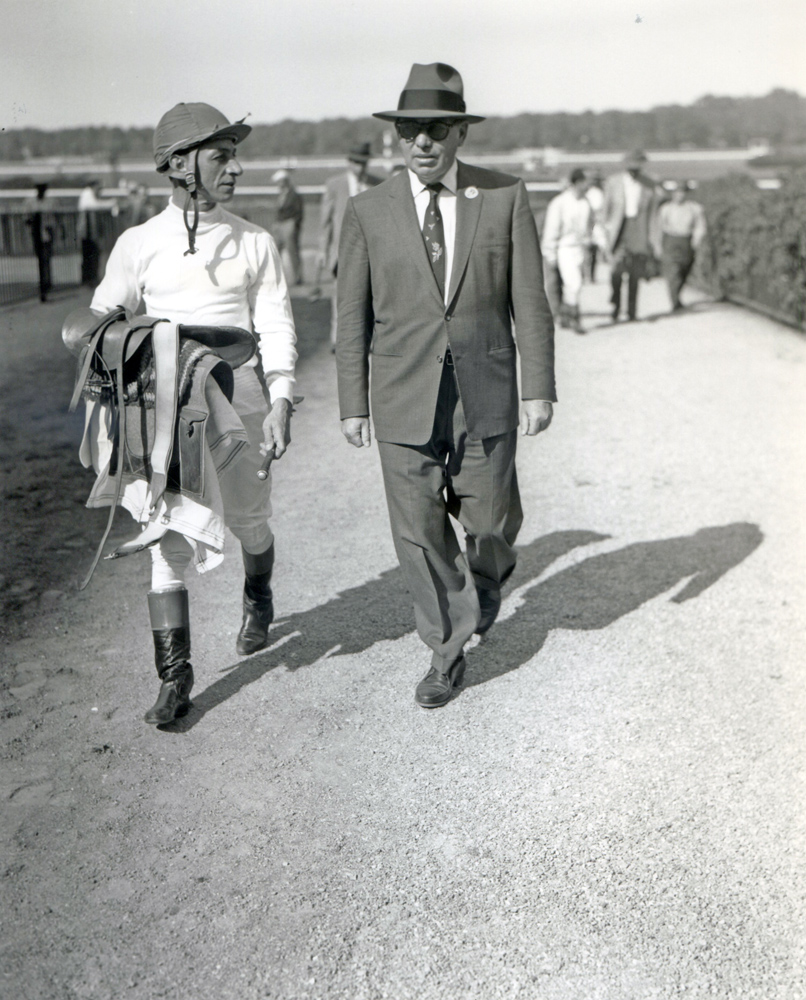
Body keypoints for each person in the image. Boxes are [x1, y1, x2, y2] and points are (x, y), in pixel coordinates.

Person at [62, 102, 297, 727]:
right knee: (164, 541)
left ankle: (259, 593)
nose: (236, 168)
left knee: (252, 522)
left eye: (233, 155)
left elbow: (275, 325)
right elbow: (96, 322)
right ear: (179, 166)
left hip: (239, 403)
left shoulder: (255, 241)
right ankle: (175, 678)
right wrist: (126, 339)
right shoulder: (138, 244)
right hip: (161, 414)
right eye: (222, 156)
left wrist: (280, 400)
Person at [336, 62, 555, 709]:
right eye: (409, 130)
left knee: (490, 522)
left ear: (460, 132)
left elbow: (530, 301)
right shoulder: (366, 211)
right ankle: (445, 651)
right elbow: (350, 316)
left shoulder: (504, 197)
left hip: (484, 393)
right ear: (396, 138)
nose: (421, 143)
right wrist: (353, 402)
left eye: (435, 129)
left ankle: (488, 577)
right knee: (420, 536)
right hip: (403, 400)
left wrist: (537, 386)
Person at [319, 141, 382, 347]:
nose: (360, 167)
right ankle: (338, 339)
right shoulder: (334, 184)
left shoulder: (378, 184)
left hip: (371, 252)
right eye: (356, 162)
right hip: (341, 253)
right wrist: (323, 251)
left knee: (371, 297)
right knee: (341, 297)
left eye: (363, 163)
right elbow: (325, 222)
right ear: (349, 162)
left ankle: (369, 339)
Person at [602, 149, 658, 322]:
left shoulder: (649, 184)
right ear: (625, 166)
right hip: (619, 229)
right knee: (616, 271)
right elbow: (606, 211)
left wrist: (652, 240)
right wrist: (605, 234)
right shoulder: (613, 182)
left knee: (635, 273)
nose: (634, 170)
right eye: (631, 167)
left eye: (638, 166)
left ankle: (632, 311)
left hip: (638, 230)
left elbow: (653, 215)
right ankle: (616, 307)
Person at [541, 168, 592, 334]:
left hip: (579, 249)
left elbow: (589, 227)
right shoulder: (560, 202)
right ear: (578, 182)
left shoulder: (585, 203)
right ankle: (574, 318)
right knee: (573, 283)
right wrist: (550, 252)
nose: (589, 184)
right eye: (586, 181)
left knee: (575, 285)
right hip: (564, 247)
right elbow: (552, 229)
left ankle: (566, 317)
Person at [657, 180, 707, 311]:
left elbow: (700, 227)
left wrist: (696, 240)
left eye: (683, 192)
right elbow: (659, 227)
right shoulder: (666, 209)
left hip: (686, 241)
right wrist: (658, 245)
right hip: (671, 240)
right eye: (677, 192)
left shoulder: (694, 208)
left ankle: (676, 297)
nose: (680, 195)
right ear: (673, 194)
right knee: (673, 272)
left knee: (685, 270)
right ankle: (674, 301)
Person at [77, 179, 118, 286]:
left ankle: (91, 278)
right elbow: (93, 205)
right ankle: (88, 279)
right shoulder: (87, 194)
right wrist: (110, 203)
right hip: (87, 231)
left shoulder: (90, 195)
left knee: (92, 254)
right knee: (89, 254)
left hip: (91, 231)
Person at [272, 169, 304, 286]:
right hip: (280, 224)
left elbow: (299, 212)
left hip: (289, 224)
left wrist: (294, 225)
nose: (279, 184)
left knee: (293, 252)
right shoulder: (281, 194)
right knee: (276, 251)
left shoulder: (294, 195)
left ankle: (297, 277)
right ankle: (276, 276)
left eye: (280, 182)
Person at [25, 182, 56, 301]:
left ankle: (45, 284)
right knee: (42, 259)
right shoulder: (31, 203)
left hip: (46, 234)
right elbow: (27, 219)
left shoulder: (49, 203)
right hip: (37, 235)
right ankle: (44, 284)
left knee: (46, 258)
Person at [584, 171, 606, 282]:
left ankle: (589, 275)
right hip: (592, 224)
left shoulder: (592, 193)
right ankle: (590, 275)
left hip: (593, 224)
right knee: (591, 251)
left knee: (591, 252)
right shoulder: (595, 193)